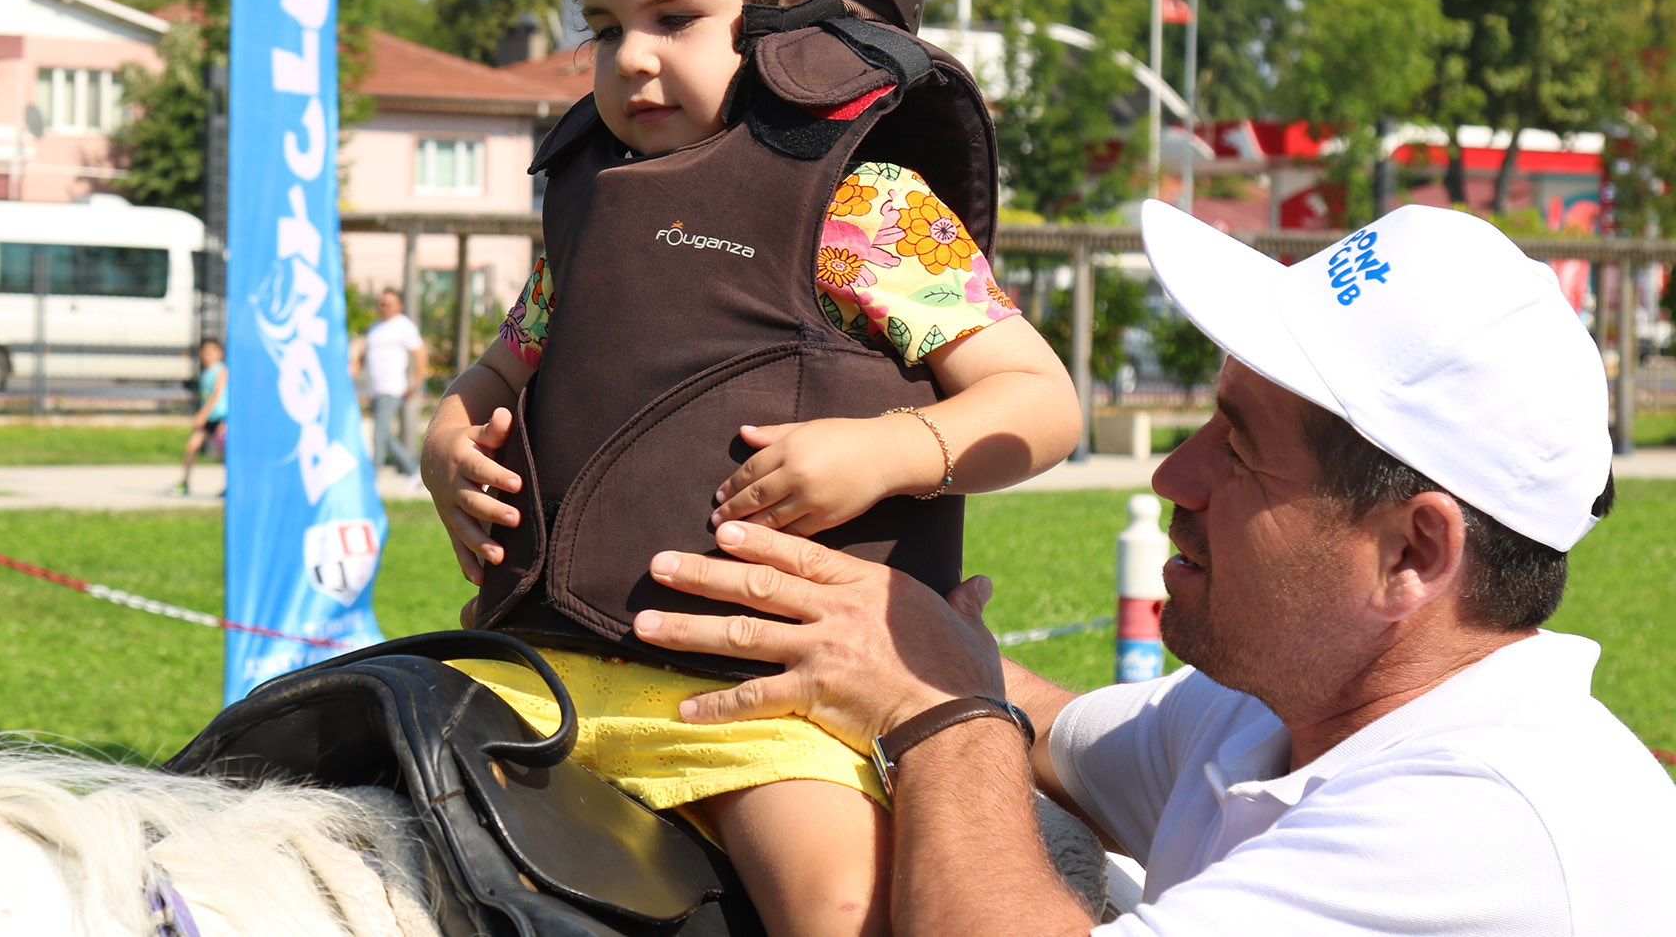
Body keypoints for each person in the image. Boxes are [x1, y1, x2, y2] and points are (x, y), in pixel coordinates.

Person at [421, 0, 1081, 937]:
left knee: (837, 905)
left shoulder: (864, 210)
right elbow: (498, 368)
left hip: (764, 706)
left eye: (673, 16)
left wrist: (888, 451)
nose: (629, 59)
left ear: (806, 20)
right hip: (542, 672)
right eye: (602, 24)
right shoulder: (591, 207)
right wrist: (445, 439)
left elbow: (1040, 403)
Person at [633, 199, 1676, 934]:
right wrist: (910, 641)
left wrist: (939, 713)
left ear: (1412, 551)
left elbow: (975, 719)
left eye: (1239, 449)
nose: (1174, 474)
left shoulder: (1483, 822)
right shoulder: (1276, 710)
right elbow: (1051, 726)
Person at [354, 288, 426, 490]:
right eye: (381, 303)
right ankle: (413, 470)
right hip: (375, 390)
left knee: (379, 434)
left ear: (398, 306)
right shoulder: (375, 328)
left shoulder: (403, 326)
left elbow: (420, 355)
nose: (383, 307)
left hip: (392, 388)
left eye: (387, 303)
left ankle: (373, 478)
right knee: (383, 434)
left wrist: (415, 383)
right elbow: (364, 357)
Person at [175, 337, 227, 496]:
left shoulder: (221, 371)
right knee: (191, 446)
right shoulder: (205, 373)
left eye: (211, 352)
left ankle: (230, 486)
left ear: (219, 353)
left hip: (220, 417)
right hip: (207, 418)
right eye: (205, 352)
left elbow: (217, 396)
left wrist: (202, 414)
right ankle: (185, 482)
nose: (207, 355)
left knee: (224, 453)